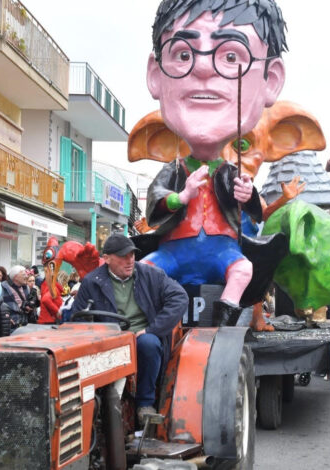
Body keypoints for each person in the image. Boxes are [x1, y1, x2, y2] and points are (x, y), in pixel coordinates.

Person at [139, 0, 286, 326]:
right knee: (143, 270)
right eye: (184, 54)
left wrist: (247, 196)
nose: (204, 70)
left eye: (231, 56)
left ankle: (227, 308)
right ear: (156, 75)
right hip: (174, 251)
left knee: (244, 268)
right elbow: (154, 203)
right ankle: (153, 319)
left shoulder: (230, 172)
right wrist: (182, 196)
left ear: (270, 79)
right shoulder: (175, 171)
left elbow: (255, 212)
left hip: (223, 250)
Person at [70, 233, 187, 424]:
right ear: (106, 259)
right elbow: (77, 317)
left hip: (141, 336)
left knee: (149, 344)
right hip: (107, 339)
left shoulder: (151, 274)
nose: (130, 260)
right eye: (123, 256)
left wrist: (153, 329)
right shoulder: (92, 282)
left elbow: (180, 298)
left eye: (132, 255)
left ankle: (145, 403)